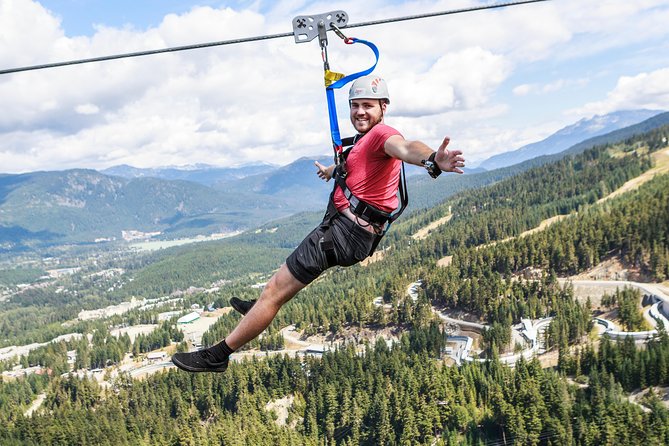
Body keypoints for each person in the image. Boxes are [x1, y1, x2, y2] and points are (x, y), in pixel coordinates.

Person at [172, 75, 465, 372]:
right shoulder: (363, 142)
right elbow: (357, 164)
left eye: (367, 106)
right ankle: (259, 306)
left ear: (383, 107)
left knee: (276, 290)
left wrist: (432, 159)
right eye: (355, 106)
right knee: (276, 287)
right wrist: (331, 171)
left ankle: (218, 355)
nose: (360, 112)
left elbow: (405, 147)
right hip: (346, 231)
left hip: (343, 234)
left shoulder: (382, 135)